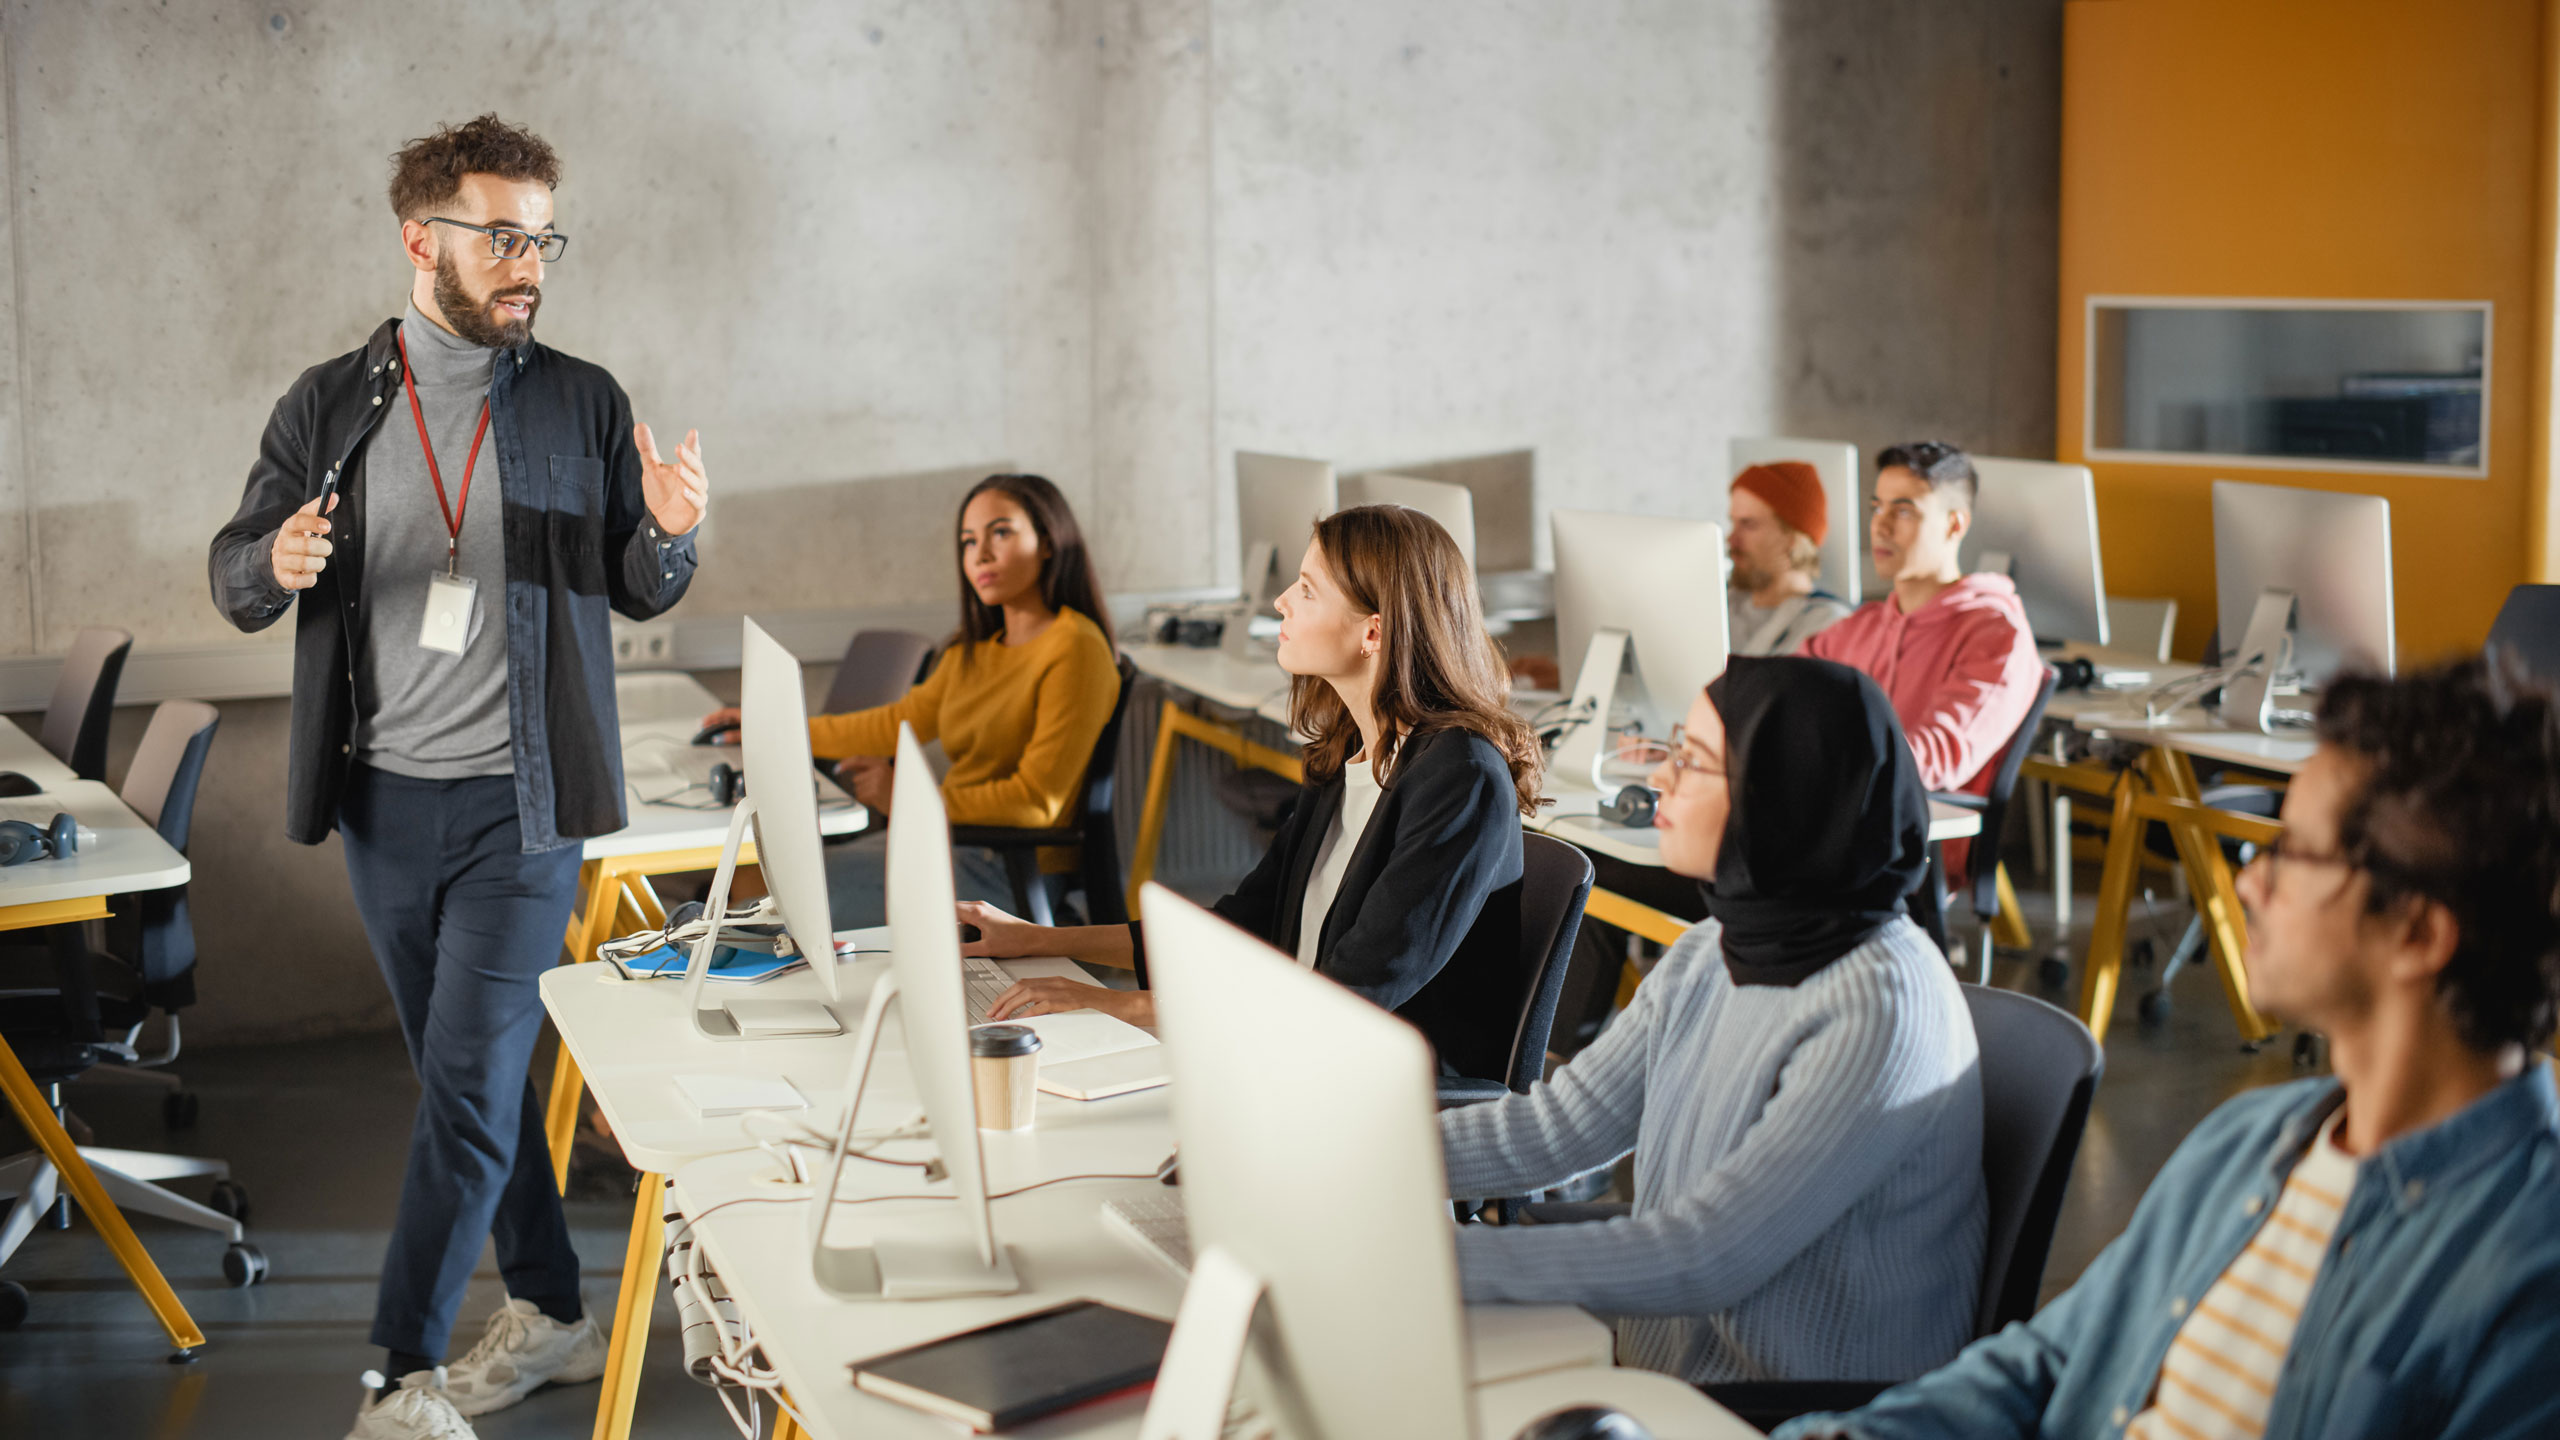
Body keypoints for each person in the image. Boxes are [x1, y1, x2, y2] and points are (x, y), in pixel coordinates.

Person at [207, 117, 708, 1439]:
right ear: (421, 238)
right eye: (500, 234)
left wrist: (672, 533)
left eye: (541, 235)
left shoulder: (580, 400)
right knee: (465, 1087)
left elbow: (637, 583)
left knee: (476, 1087)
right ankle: (548, 1307)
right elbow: (233, 569)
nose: (526, 261)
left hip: (523, 808)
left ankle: (396, 1377)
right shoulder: (325, 405)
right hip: (383, 805)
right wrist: (277, 567)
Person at [1777, 653, 2560, 1440]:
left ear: (2419, 933)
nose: (2249, 883)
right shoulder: (2247, 1143)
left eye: (2291, 853)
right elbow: (2047, 1365)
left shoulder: (2531, 1269)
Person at [1438, 657, 1987, 1389]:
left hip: (1803, 1414)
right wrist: (1362, 1163)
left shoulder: (1879, 1009)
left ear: (1781, 797)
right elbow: (1556, 1130)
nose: (1658, 779)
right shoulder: (1713, 949)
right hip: (1672, 1381)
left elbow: (1702, 1258)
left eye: (1692, 762)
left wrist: (1433, 1259)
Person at [961, 504, 1543, 1082]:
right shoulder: (1349, 753)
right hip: (1293, 1054)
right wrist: (1037, 939)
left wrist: (1112, 1005)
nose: (1280, 601)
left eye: (1308, 591)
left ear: (1373, 632)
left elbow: (1353, 997)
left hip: (1383, 1094)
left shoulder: (1460, 778)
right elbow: (1243, 927)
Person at [698, 472, 1119, 926]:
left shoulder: (1075, 647)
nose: (982, 554)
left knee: (762, 894)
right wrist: (777, 728)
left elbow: (1037, 802)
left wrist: (908, 798)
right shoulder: (973, 651)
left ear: (1049, 540)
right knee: (746, 879)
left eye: (1001, 532)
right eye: (968, 541)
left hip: (1009, 870)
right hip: (950, 839)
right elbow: (894, 722)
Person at [1802, 441, 2042, 878]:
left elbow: (1939, 756)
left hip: (1908, 849)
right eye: (1877, 507)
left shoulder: (1994, 634)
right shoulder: (1865, 624)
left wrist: (1825, 765)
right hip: (1836, 826)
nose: (1880, 526)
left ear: (1955, 524)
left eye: (1905, 511)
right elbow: (1782, 690)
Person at [1726, 461, 1851, 656]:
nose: (1731, 539)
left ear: (1793, 539)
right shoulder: (1720, 609)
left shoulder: (1830, 626)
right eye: (1733, 523)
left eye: (1748, 524)